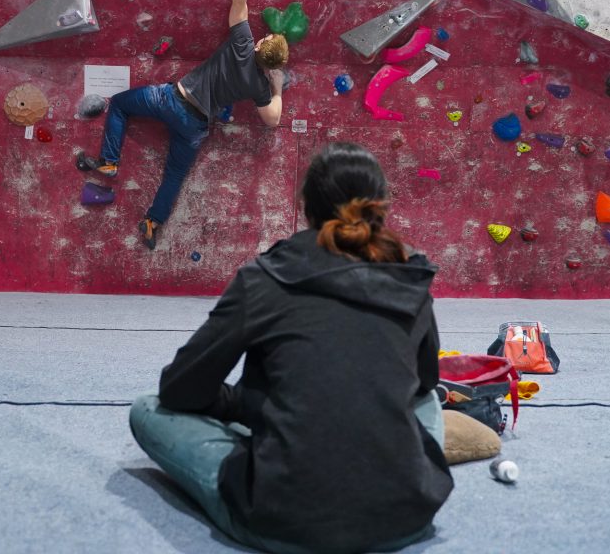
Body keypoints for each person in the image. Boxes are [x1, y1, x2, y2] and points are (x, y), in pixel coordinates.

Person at [129, 142, 453, 554]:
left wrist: (244, 406)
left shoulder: (264, 277)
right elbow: (425, 382)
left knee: (148, 409)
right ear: (380, 207)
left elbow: (180, 390)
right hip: (407, 515)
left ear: (306, 207)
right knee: (428, 401)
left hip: (281, 521)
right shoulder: (411, 278)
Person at [76, 0, 288, 250]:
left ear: (259, 44)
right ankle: (152, 222)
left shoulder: (243, 43)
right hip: (196, 127)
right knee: (173, 176)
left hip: (172, 101)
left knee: (119, 104)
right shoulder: (260, 85)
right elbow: (272, 119)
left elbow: (239, 0)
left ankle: (109, 161)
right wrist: (278, 88)